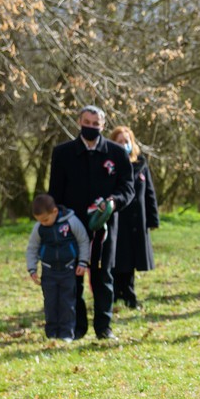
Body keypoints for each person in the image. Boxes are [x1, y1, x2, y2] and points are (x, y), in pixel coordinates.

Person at [48, 105, 135, 340]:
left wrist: (114, 202)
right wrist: (56, 221)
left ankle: (104, 328)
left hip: (104, 227)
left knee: (102, 276)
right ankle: (77, 327)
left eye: (96, 124)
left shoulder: (117, 153)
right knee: (73, 278)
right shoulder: (62, 153)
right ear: (79, 122)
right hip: (71, 226)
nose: (91, 127)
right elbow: (55, 192)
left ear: (103, 126)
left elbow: (128, 188)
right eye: (87, 122)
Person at [25, 194, 90, 342]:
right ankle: (52, 333)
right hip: (48, 271)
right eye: (40, 221)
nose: (43, 223)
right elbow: (32, 248)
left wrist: (83, 262)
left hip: (68, 270)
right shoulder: (39, 228)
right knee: (50, 303)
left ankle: (67, 333)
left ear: (54, 212)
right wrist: (32, 268)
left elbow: (83, 240)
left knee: (67, 302)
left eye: (45, 220)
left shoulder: (71, 221)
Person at [110, 126, 160, 309]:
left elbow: (149, 193)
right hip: (117, 219)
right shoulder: (109, 165)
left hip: (137, 221)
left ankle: (129, 295)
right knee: (117, 259)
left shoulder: (141, 164)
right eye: (119, 142)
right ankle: (115, 293)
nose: (124, 145)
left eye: (127, 141)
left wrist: (153, 219)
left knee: (131, 260)